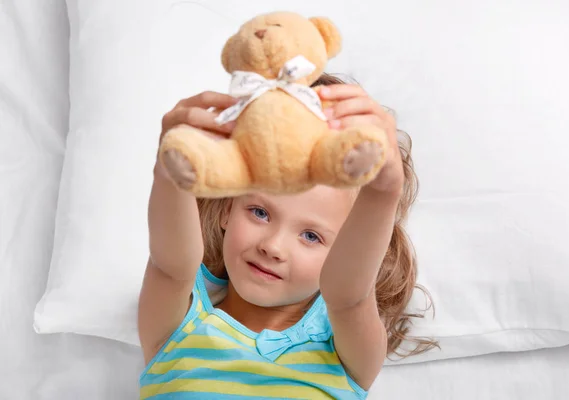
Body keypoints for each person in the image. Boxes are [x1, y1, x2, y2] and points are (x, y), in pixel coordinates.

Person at [137, 73, 436, 399]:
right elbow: (171, 264)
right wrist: (169, 170)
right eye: (259, 212)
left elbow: (349, 294)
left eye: (310, 236)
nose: (272, 246)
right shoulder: (177, 322)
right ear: (227, 208)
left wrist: (383, 192)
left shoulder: (345, 350)